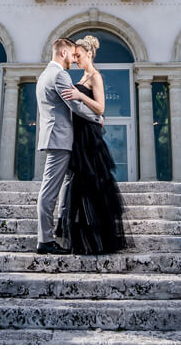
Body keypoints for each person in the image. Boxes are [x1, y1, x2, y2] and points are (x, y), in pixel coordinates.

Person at [56, 35, 128, 254]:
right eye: (74, 55)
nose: (76, 59)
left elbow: (100, 108)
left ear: (89, 54)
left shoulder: (95, 76)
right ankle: (74, 232)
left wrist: (80, 95)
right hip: (78, 133)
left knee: (91, 181)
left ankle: (96, 238)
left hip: (89, 135)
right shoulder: (82, 75)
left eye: (78, 55)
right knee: (78, 183)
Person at [34, 37, 102, 254]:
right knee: (49, 190)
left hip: (55, 137)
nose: (74, 60)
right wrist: (96, 118)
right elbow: (75, 105)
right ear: (63, 53)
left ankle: (62, 223)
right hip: (60, 138)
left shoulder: (44, 74)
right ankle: (45, 240)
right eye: (72, 55)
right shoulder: (59, 75)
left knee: (65, 182)